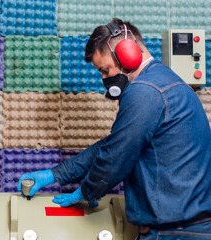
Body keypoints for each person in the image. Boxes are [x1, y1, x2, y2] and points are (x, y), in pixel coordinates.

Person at [17, 18, 211, 239]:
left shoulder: (144, 91)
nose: (105, 79)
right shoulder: (167, 82)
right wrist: (55, 175)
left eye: (105, 70)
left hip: (174, 233)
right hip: (187, 229)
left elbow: (115, 156)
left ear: (127, 52)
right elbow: (113, 144)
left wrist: (86, 191)